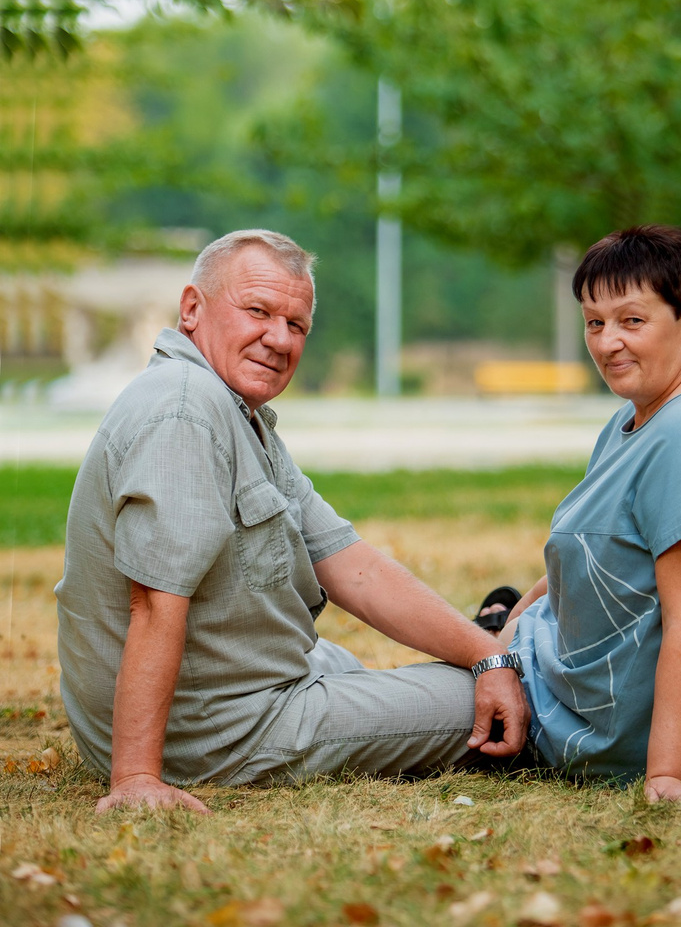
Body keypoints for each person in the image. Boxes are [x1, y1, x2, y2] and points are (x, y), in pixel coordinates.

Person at [55, 229, 529, 813]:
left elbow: (352, 569)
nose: (278, 339)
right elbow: (154, 602)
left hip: (257, 681)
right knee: (487, 702)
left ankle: (494, 636)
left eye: (296, 324)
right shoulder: (184, 413)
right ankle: (518, 648)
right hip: (211, 731)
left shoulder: (231, 407)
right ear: (192, 308)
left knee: (406, 669)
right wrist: (135, 777)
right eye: (257, 311)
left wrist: (483, 654)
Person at [491, 226, 681, 807]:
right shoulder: (639, 418)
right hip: (599, 675)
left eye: (632, 320)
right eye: (595, 321)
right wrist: (512, 632)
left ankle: (493, 623)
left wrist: (665, 779)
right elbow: (595, 558)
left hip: (639, 736)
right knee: (491, 628)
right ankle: (497, 618)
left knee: (424, 698)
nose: (608, 342)